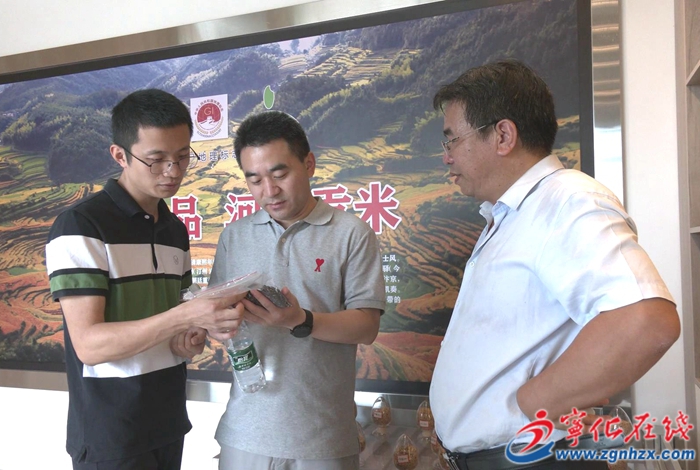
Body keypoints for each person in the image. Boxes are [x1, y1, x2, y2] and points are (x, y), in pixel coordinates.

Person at [428, 59, 680, 470]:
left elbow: (647, 321)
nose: (447, 158)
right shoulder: (513, 213)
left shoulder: (567, 200)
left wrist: (538, 400)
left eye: (452, 140)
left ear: (503, 135)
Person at [45, 89, 246, 470]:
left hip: (167, 422)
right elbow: (89, 345)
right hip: (111, 435)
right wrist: (186, 317)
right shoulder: (81, 226)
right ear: (120, 155)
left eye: (182, 156)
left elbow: (175, 326)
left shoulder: (174, 229)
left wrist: (191, 337)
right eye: (156, 160)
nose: (173, 171)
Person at [208, 110, 385, 470]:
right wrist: (213, 323)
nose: (269, 191)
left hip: (323, 437)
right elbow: (216, 316)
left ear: (309, 164)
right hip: (244, 433)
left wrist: (300, 320)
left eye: (280, 174)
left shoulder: (351, 233)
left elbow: (366, 326)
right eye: (255, 179)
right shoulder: (234, 237)